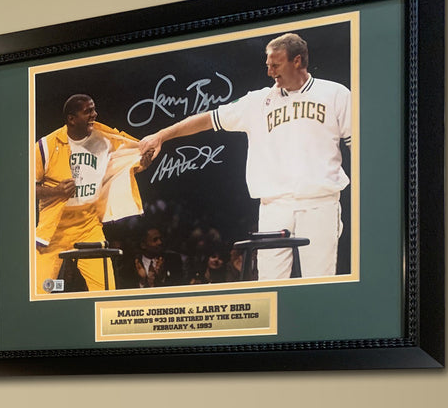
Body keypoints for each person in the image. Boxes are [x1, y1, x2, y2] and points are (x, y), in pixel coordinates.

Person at [137, 32, 351, 280]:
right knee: (271, 284)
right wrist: (161, 135)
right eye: (267, 64)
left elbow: (359, 145)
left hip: (320, 201)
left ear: (298, 61)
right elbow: (208, 119)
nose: (270, 71)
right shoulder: (258, 100)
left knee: (319, 282)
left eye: (275, 64)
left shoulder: (336, 94)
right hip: (274, 205)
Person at [33, 93, 144, 293]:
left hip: (89, 225)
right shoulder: (45, 146)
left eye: (94, 109)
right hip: (55, 229)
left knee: (106, 292)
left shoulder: (105, 139)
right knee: (38, 293)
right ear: (71, 119)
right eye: (88, 111)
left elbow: (131, 158)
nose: (95, 114)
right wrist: (56, 191)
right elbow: (21, 189)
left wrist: (144, 159)